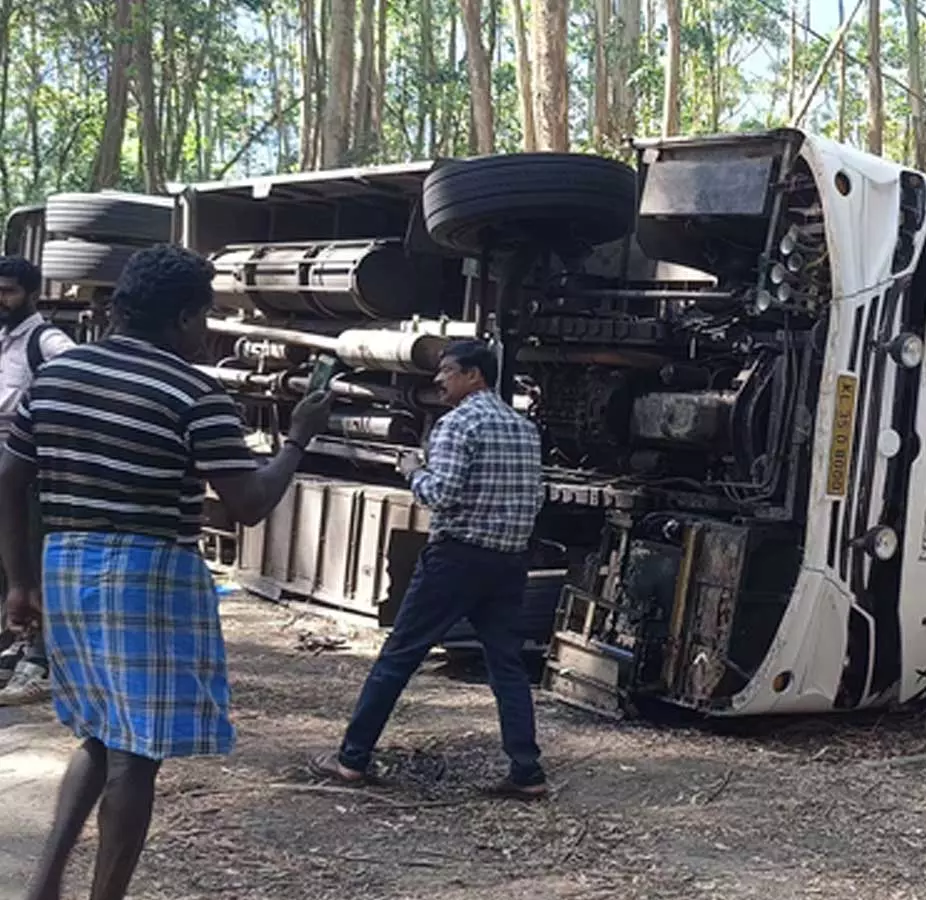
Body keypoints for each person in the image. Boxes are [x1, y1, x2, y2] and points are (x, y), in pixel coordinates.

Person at [0, 245, 332, 900]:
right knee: (138, 752)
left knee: (99, 732)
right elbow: (249, 503)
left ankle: (43, 886)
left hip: (66, 563)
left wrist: (19, 580)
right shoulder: (194, 392)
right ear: (182, 316)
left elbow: (8, 478)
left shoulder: (56, 378)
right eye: (204, 316)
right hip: (146, 573)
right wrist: (298, 438)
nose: (206, 330)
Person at [310, 339, 547, 799]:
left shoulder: (457, 425)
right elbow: (535, 497)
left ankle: (352, 758)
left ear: (474, 375)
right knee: (507, 666)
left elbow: (442, 495)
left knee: (400, 656)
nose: (439, 380)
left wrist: (413, 470)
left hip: (456, 559)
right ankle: (527, 770)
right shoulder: (524, 429)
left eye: (447, 371)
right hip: (508, 562)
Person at [0, 256, 73, 706]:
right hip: (4, 464)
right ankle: (19, 644)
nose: (0, 299)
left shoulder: (48, 341)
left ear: (33, 294)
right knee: (10, 561)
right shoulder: (4, 339)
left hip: (29, 464)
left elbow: (74, 379)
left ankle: (42, 660)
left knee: (35, 556)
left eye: (8, 291)